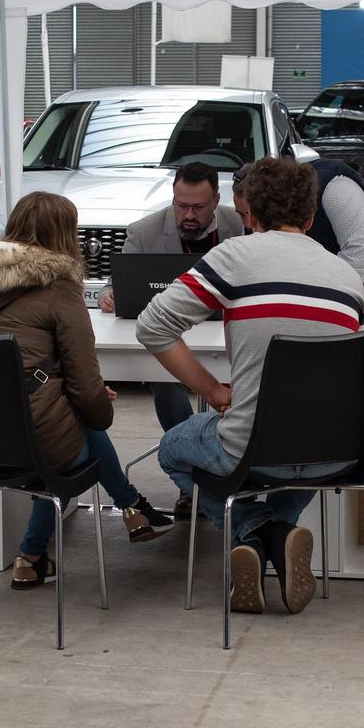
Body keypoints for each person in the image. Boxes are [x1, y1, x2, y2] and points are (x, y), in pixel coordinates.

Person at [138, 157, 364, 616]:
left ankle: (253, 530)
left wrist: (215, 391)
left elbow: (152, 325)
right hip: (337, 451)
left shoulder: (233, 256)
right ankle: (278, 535)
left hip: (251, 448)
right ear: (309, 218)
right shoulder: (349, 278)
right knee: (299, 452)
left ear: (251, 216)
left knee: (171, 448)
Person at [0, 190, 174, 588]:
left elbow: (21, 360)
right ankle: (116, 513)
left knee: (68, 413)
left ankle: (124, 512)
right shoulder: (59, 287)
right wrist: (96, 405)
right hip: (33, 443)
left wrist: (74, 394)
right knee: (82, 422)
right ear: (64, 236)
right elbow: (84, 385)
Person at [99, 162, 248, 497]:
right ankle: (193, 461)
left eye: (198, 207)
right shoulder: (144, 231)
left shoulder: (238, 223)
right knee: (163, 381)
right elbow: (117, 284)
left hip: (224, 332)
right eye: (181, 206)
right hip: (169, 334)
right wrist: (110, 295)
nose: (189, 214)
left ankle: (229, 461)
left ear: (216, 200)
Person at [237, 157, 364, 309]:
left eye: (249, 214)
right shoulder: (274, 208)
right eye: (241, 215)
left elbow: (361, 251)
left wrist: (325, 301)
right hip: (357, 276)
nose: (248, 224)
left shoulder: (334, 187)